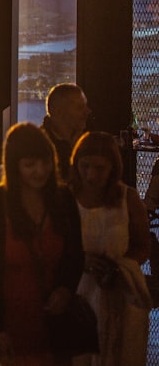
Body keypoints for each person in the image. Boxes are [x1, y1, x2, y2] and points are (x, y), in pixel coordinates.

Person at [0, 122, 85, 364]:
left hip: (55, 321)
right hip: (8, 318)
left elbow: (75, 255)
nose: (40, 171)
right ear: (14, 165)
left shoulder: (63, 200)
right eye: (30, 165)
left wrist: (65, 288)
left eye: (45, 163)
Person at [69, 131, 151, 366]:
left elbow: (142, 245)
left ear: (112, 168)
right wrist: (80, 261)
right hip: (78, 291)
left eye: (99, 168)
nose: (91, 175)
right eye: (85, 166)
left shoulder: (128, 198)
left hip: (118, 292)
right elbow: (53, 245)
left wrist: (118, 268)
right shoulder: (67, 197)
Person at [42, 83, 90, 178]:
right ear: (58, 111)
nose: (87, 112)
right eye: (80, 107)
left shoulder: (87, 142)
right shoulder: (39, 145)